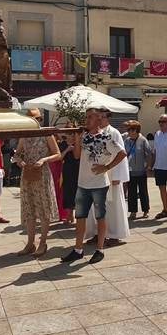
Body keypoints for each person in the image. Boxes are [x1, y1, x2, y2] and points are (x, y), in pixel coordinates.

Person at [62, 107, 126, 264]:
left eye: (90, 117)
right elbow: (76, 155)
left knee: (100, 217)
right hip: (83, 184)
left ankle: (100, 250)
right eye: (86, 116)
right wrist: (77, 137)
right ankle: (78, 249)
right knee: (81, 217)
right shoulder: (84, 137)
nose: (87, 119)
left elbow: (122, 153)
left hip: (99, 184)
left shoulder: (106, 137)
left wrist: (106, 168)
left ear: (99, 119)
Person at [13, 109, 61, 257]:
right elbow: (17, 154)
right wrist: (19, 161)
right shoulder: (24, 136)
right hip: (27, 173)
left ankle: (43, 242)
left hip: (42, 175)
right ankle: (30, 243)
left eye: (35, 119)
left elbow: (58, 154)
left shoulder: (46, 134)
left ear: (39, 120)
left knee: (44, 208)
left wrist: (44, 159)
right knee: (30, 209)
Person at [84, 111, 131, 247]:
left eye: (102, 117)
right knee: (97, 207)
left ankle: (114, 235)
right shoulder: (94, 133)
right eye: (98, 117)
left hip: (111, 176)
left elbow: (121, 155)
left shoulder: (113, 132)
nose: (100, 120)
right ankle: (99, 234)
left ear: (107, 118)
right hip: (97, 177)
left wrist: (118, 177)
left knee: (113, 207)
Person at [123, 121, 153, 220]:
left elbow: (148, 154)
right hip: (130, 171)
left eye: (131, 130)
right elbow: (123, 154)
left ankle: (145, 210)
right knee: (131, 192)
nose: (129, 132)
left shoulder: (143, 140)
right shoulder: (126, 141)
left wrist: (149, 167)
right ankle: (133, 212)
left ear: (136, 130)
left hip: (141, 171)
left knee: (143, 191)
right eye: (128, 130)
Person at [58, 132, 79, 225]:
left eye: (71, 134)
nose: (69, 136)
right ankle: (69, 215)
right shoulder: (63, 144)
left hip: (77, 170)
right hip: (67, 170)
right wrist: (67, 149)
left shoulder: (78, 143)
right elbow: (60, 158)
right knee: (67, 192)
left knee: (76, 192)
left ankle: (76, 215)